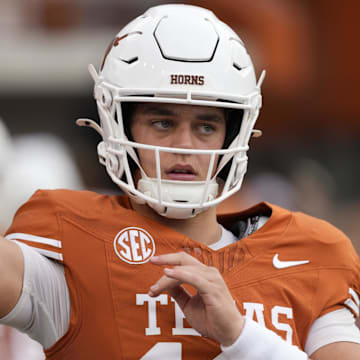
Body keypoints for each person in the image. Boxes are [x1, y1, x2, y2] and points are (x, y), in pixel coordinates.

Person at [0, 4, 359, 360]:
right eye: (163, 123)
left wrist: (240, 335)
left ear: (232, 137)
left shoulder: (311, 254)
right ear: (120, 126)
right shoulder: (73, 235)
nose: (185, 146)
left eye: (206, 126)